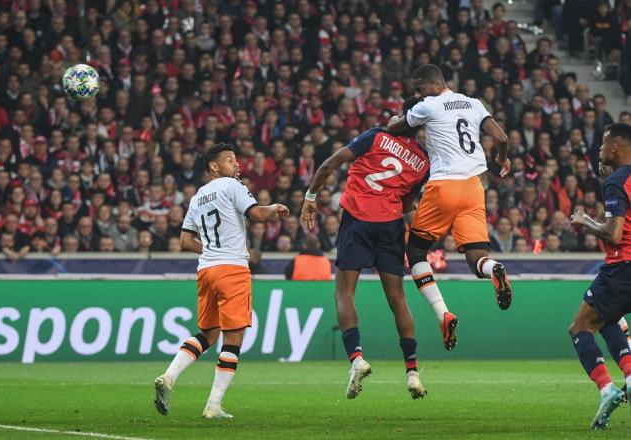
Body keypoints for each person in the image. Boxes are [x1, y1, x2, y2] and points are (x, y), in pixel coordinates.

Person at [301, 98, 430, 401]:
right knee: (398, 299)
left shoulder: (375, 136)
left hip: (357, 220)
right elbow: (409, 204)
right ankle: (412, 372)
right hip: (391, 226)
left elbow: (329, 164)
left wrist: (310, 196)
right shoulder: (423, 161)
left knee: (344, 292)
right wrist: (426, 234)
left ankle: (357, 359)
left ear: (403, 116)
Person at [154, 143, 289, 419]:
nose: (236, 164)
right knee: (233, 338)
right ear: (214, 166)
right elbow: (258, 215)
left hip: (206, 271)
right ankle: (213, 405)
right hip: (232, 269)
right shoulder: (232, 186)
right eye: (230, 159)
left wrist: (211, 252)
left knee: (208, 334)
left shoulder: (196, 197)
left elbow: (184, 241)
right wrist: (275, 206)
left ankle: (169, 376)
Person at [387, 64, 513, 352]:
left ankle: (442, 312)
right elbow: (502, 138)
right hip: (473, 186)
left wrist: (398, 118)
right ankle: (493, 268)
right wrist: (503, 159)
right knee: (476, 257)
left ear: (433, 84)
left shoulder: (428, 105)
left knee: (416, 251)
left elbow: (395, 127)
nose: (418, 95)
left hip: (444, 185)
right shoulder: (474, 103)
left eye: (420, 89)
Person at [568, 123, 631, 429]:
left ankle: (607, 389)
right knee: (607, 318)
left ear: (616, 147)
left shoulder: (617, 180)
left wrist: (585, 221)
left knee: (580, 327)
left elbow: (615, 234)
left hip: (623, 267)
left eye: (604, 145)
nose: (601, 150)